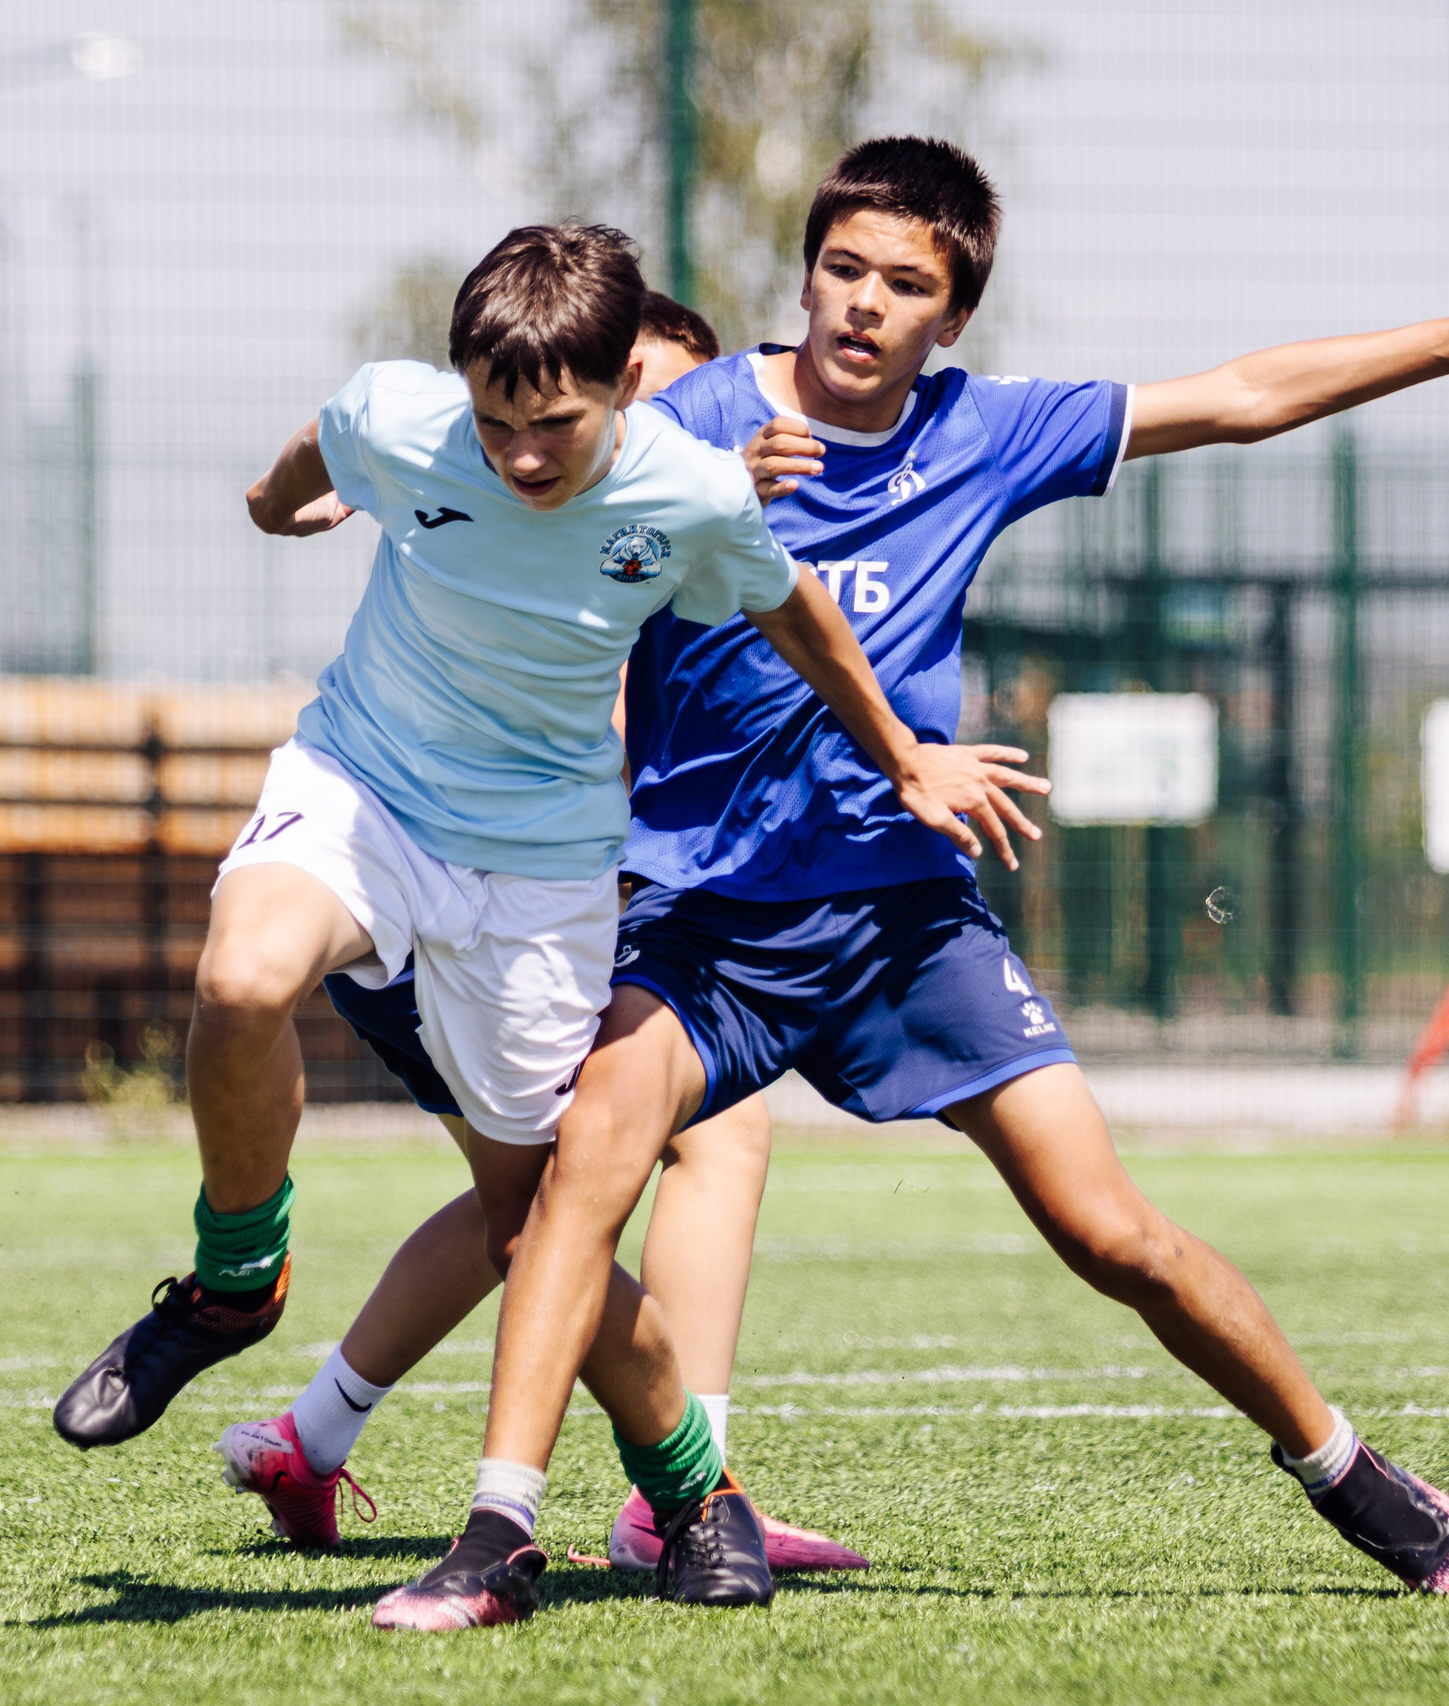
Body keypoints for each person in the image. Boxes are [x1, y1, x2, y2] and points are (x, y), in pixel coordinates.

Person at [376, 135, 1449, 1628]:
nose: (864, 305)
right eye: (844, 268)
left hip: (906, 920)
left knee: (1111, 1232)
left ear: (952, 317)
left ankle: (1358, 1475)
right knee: (578, 1174)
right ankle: (500, 1534)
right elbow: (521, 473)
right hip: (701, 918)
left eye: (907, 285)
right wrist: (387, 484)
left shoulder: (988, 432)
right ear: (809, 270)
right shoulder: (687, 416)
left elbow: (1238, 398)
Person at [52, 224, 1038, 1605]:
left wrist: (904, 755)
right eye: (497, 419)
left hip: (537, 868)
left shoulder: (689, 490)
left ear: (624, 387)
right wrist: (293, 507)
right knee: (240, 978)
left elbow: (798, 610)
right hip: (364, 788)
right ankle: (234, 1278)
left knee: (537, 1229)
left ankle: (697, 1485)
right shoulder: (397, 416)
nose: (520, 454)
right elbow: (297, 471)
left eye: (555, 427)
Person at [216, 291, 866, 1578]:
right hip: (470, 877)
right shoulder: (577, 511)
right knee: (632, 1159)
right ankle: (674, 1484)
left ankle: (315, 1433)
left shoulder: (663, 505)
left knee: (537, 1192)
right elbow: (582, 693)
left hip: (531, 876)